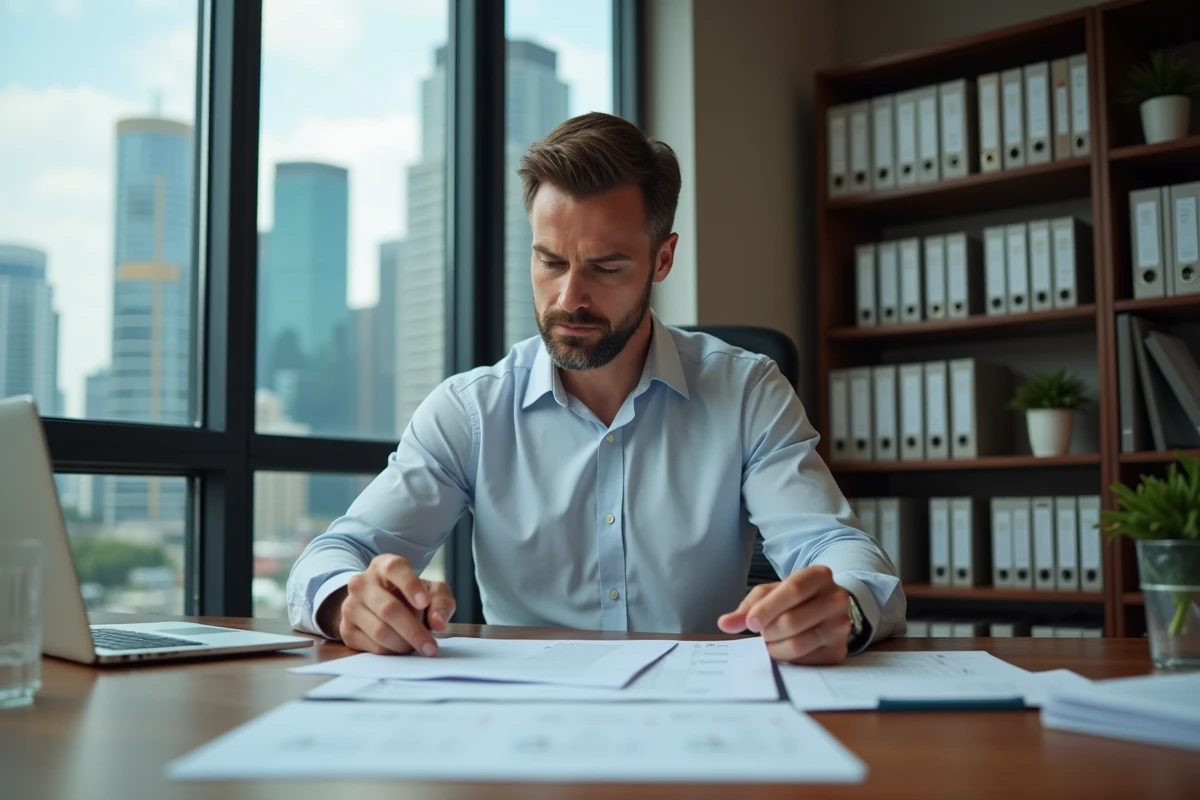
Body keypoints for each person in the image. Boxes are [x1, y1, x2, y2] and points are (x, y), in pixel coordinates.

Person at [287, 112, 905, 666]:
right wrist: (347, 601)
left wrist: (843, 610)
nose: (569, 298)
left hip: (697, 718)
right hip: (523, 732)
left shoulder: (746, 392)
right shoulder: (470, 411)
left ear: (662, 261)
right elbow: (337, 551)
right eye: (550, 262)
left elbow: (841, 549)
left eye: (606, 267)